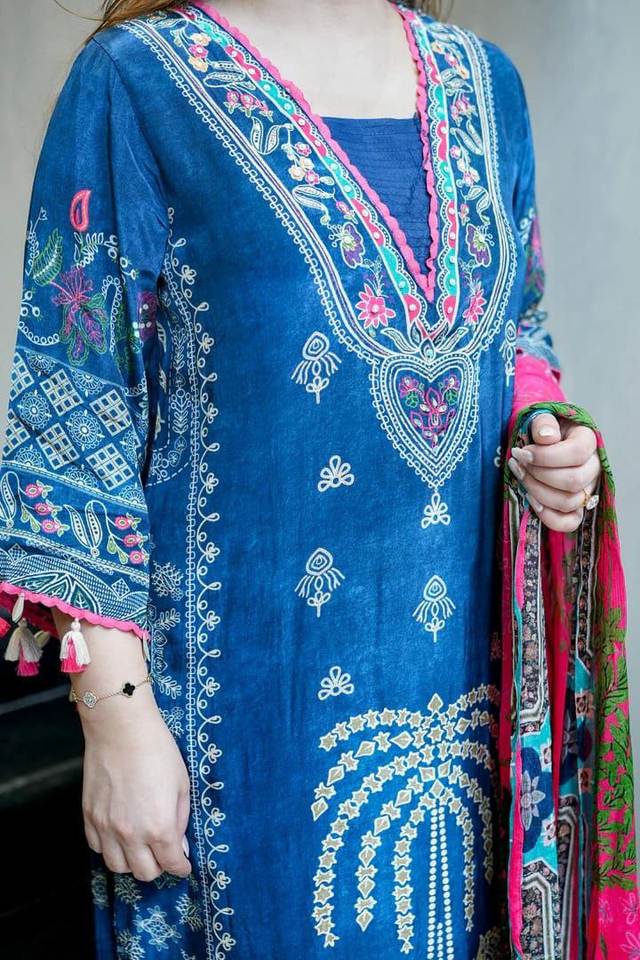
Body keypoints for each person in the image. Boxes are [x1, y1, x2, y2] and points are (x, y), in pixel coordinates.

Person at [0, 1, 628, 957]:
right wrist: (116, 722)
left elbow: (520, 332)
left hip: (474, 714)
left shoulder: (486, 84)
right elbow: (76, 407)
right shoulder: (139, 79)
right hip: (238, 739)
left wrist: (548, 441)